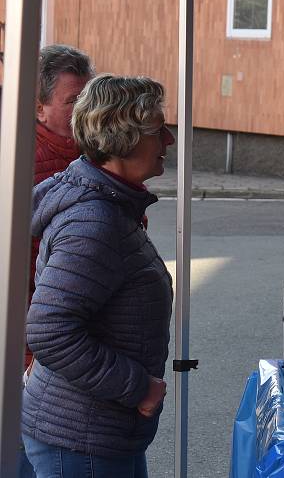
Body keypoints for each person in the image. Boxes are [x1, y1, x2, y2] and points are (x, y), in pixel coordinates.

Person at [22, 74, 175, 477]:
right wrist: (138, 386)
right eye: (159, 131)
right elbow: (50, 330)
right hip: (81, 437)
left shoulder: (110, 204)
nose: (169, 142)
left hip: (95, 432)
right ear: (124, 138)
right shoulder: (95, 222)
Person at [18, 44, 95, 478]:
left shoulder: (81, 155)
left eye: (86, 98)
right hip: (36, 350)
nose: (82, 110)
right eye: (71, 101)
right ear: (39, 106)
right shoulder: (28, 162)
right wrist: (32, 354)